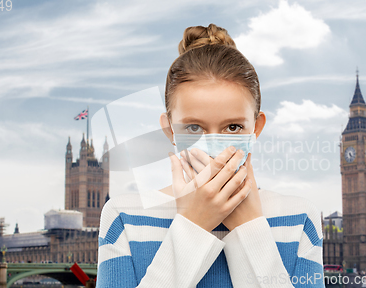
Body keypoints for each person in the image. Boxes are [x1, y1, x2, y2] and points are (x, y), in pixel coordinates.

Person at [96, 23, 324, 288]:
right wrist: (193, 224)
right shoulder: (124, 217)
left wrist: (249, 229)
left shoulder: (299, 218)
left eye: (233, 127)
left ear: (256, 128)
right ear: (169, 129)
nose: (214, 145)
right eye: (194, 127)